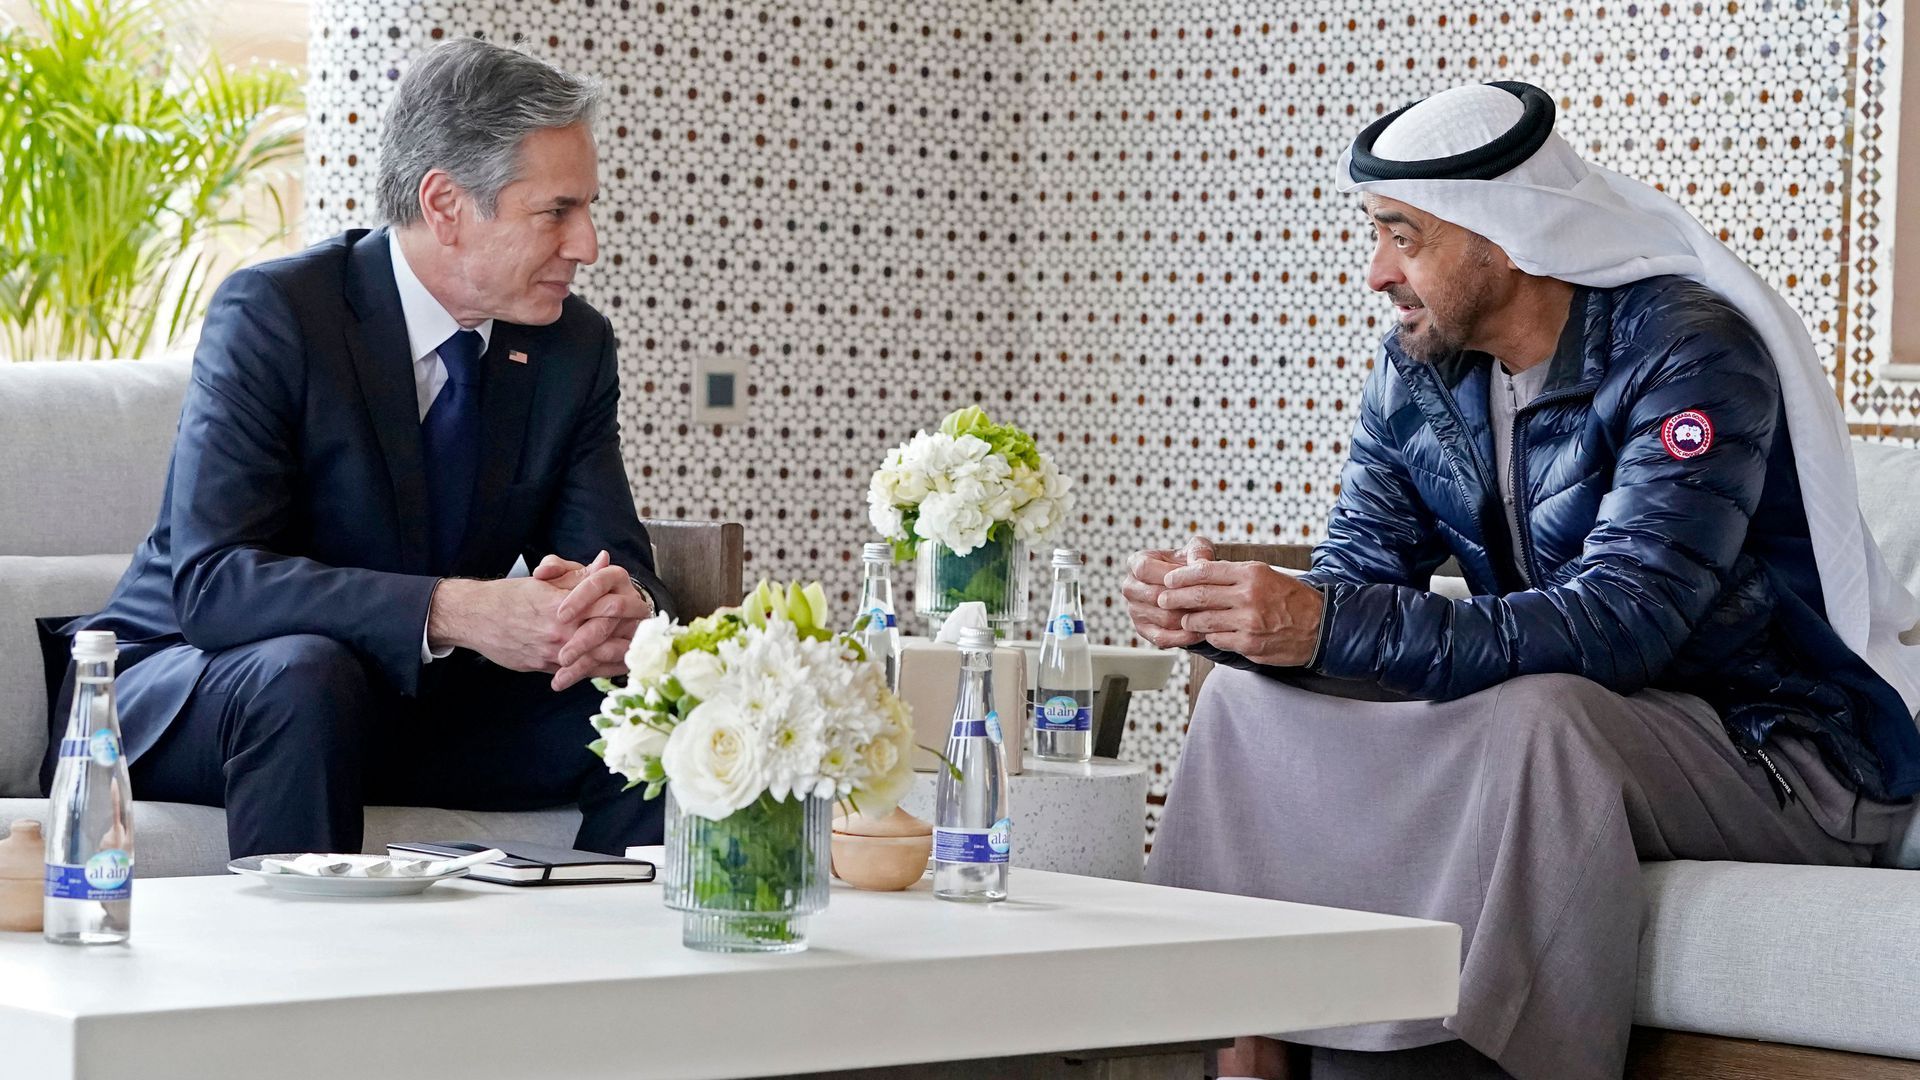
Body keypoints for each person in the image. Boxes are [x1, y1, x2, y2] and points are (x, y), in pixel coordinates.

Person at [1129, 81, 1920, 1080]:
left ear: (1503, 238)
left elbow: (1623, 623)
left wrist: (1320, 622)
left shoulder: (1690, 355)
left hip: (1777, 746)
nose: (1378, 273)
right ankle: (1241, 1050)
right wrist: (1227, 620)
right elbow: (1358, 582)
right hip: (1599, 712)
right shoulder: (1419, 369)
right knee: (1248, 703)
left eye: (1403, 237)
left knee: (1540, 718)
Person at [51, 38, 673, 859]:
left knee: (654, 709)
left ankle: (610, 974)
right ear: (445, 204)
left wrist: (619, 613)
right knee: (308, 678)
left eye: (587, 208)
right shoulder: (278, 313)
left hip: (407, 704)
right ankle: (308, 983)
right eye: (556, 212)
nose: (586, 244)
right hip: (194, 683)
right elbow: (214, 583)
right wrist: (454, 609)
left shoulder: (572, 348)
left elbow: (618, 563)